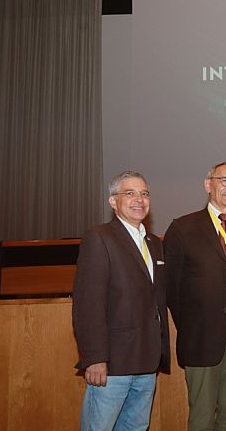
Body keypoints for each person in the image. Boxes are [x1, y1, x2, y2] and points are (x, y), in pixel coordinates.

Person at [164, 161, 226, 431]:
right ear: (208, 184)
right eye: (225, 181)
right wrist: (192, 324)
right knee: (202, 417)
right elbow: (172, 288)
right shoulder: (182, 228)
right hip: (201, 337)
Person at [72, 171, 170, 431]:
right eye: (130, 193)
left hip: (147, 362)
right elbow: (88, 304)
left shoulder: (153, 243)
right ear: (113, 201)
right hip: (112, 364)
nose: (139, 199)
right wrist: (94, 357)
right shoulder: (99, 237)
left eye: (144, 194)